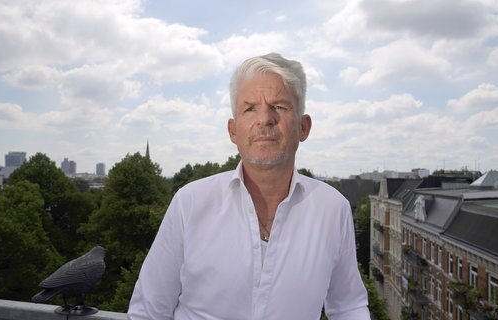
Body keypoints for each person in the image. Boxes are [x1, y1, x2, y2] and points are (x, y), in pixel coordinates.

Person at [127, 53, 370, 319]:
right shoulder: (190, 203)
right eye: (250, 108)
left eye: (279, 106)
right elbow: (149, 311)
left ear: (303, 127)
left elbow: (349, 306)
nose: (265, 119)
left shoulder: (333, 209)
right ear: (233, 130)